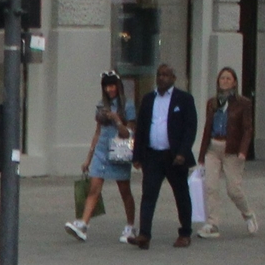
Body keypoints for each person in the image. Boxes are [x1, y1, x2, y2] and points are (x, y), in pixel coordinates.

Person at [131, 62, 198, 250]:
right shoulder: (148, 99)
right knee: (148, 195)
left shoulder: (183, 99)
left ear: (173, 79)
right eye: (159, 75)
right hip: (152, 155)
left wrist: (183, 153)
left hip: (174, 156)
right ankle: (144, 234)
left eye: (166, 75)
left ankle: (185, 232)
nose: (161, 78)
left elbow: (190, 128)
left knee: (181, 195)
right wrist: (137, 155)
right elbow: (141, 128)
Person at [66, 72, 135, 244]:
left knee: (124, 191)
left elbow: (130, 133)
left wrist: (117, 120)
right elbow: (98, 132)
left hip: (120, 150)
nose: (110, 89)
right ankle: (83, 224)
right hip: (102, 151)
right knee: (93, 188)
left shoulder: (128, 105)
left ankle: (131, 226)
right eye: (107, 86)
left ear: (119, 86)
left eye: (112, 85)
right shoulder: (101, 105)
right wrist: (88, 158)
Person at [195, 66, 258, 237]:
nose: (225, 81)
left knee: (233, 189)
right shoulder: (212, 103)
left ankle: (248, 214)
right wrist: (201, 156)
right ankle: (212, 223)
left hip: (232, 149)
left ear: (234, 82)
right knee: (211, 186)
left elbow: (247, 129)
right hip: (213, 148)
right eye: (222, 78)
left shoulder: (243, 103)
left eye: (228, 78)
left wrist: (243, 150)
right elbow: (207, 129)